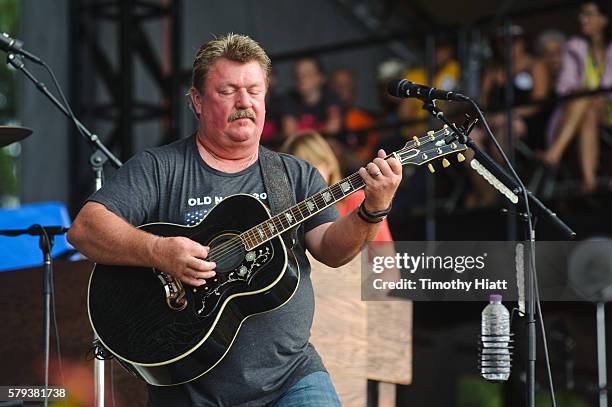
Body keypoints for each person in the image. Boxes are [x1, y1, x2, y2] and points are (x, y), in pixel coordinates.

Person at [67, 34, 402, 406]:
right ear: (197, 100)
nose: (244, 102)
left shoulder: (294, 175)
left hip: (290, 378)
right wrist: (159, 251)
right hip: (187, 383)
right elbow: (85, 229)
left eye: (254, 91)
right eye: (228, 91)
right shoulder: (160, 168)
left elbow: (332, 250)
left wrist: (374, 208)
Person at [540, 1, 612, 192]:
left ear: (604, 19)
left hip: (607, 110)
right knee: (586, 106)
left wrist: (597, 96)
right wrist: (587, 94)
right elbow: (564, 86)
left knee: (587, 100)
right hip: (577, 112)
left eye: (588, 14)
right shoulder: (574, 47)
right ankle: (589, 182)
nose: (582, 19)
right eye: (581, 14)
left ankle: (555, 152)